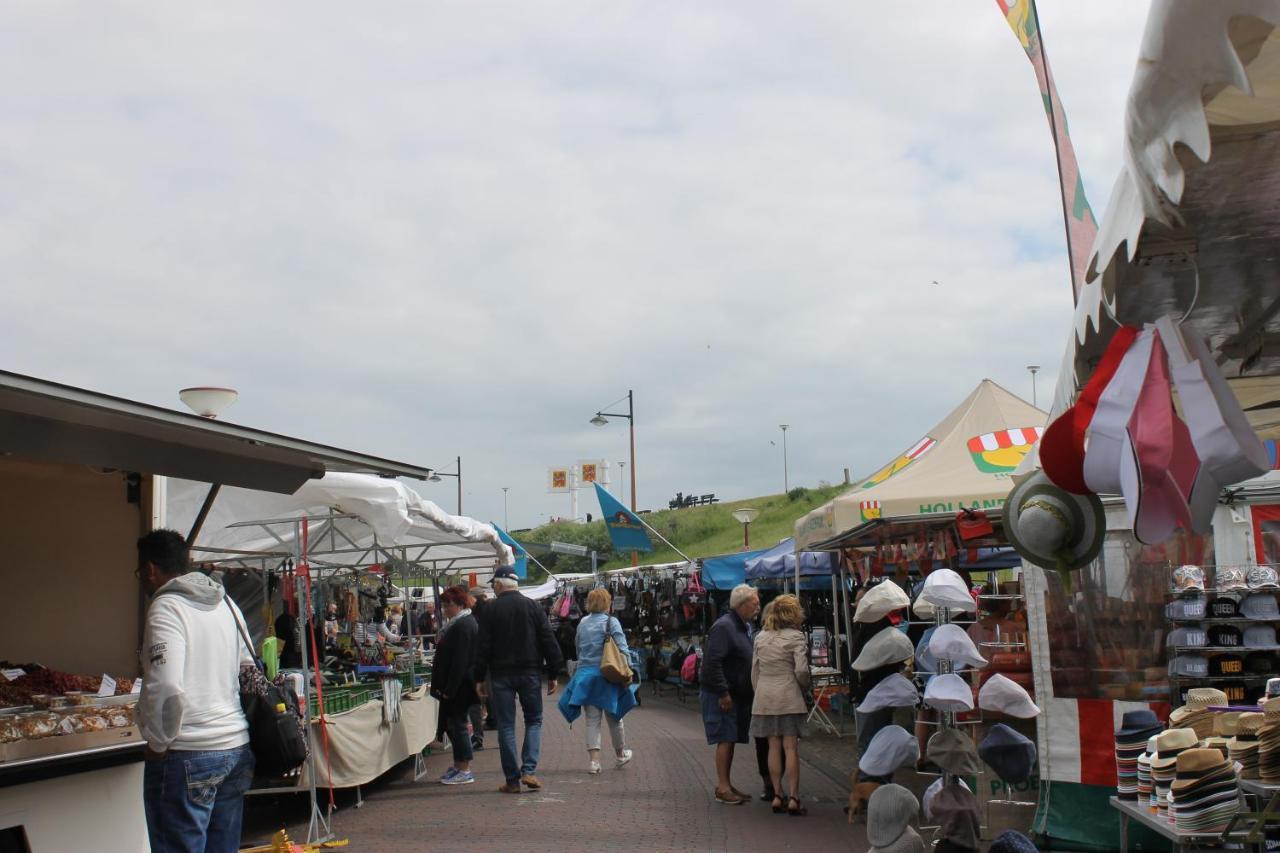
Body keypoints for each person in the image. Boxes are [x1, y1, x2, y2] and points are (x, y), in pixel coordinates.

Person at [136, 529, 254, 853]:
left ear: (150, 569)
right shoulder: (226, 602)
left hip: (188, 751)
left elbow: (166, 685)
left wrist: (158, 745)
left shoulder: (166, 607)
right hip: (235, 746)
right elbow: (248, 667)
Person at [475, 566, 564, 794]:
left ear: (498, 585)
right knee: (534, 720)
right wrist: (554, 672)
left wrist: (479, 677)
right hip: (530, 672)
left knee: (506, 725)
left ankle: (512, 780)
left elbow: (482, 646)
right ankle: (529, 770)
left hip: (500, 674)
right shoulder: (532, 606)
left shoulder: (490, 610)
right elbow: (548, 640)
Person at [557, 588, 636, 774]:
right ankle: (620, 754)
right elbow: (623, 649)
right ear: (607, 603)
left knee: (592, 721)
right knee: (615, 717)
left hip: (586, 677)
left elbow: (578, 649)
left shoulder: (582, 623)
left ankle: (594, 762)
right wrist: (628, 671)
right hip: (607, 676)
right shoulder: (612, 622)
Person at [750, 594, 811, 816]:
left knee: (772, 747)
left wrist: (761, 693)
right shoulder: (796, 637)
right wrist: (802, 689)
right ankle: (794, 797)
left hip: (765, 697)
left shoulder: (760, 637)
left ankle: (777, 794)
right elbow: (802, 670)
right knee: (790, 748)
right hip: (789, 696)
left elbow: (754, 672)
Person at [700, 583, 761, 805]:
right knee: (725, 737)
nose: (758, 607)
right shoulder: (725, 627)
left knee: (731, 737)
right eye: (755, 604)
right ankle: (723, 787)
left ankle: (726, 783)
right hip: (723, 694)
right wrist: (723, 692)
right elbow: (712, 662)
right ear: (741, 605)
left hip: (735, 693)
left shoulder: (741, 626)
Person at [430, 585, 480, 785]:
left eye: (447, 604)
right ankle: (459, 764)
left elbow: (460, 660)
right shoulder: (461, 624)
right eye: (443, 605)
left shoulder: (463, 625)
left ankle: (464, 768)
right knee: (454, 725)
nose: (444, 609)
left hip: (460, 686)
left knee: (458, 725)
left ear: (459, 604)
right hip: (457, 685)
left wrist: (450, 688)